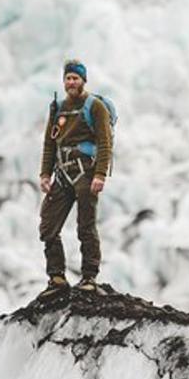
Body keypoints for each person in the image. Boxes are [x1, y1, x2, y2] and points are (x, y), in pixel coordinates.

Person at [38, 59, 113, 295]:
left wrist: (100, 174)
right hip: (63, 172)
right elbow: (50, 143)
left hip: (86, 171)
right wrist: (45, 173)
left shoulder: (95, 107)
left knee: (86, 227)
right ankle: (57, 278)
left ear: (83, 80)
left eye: (75, 78)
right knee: (48, 226)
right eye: (68, 78)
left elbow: (105, 142)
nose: (71, 82)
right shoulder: (58, 108)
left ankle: (89, 277)